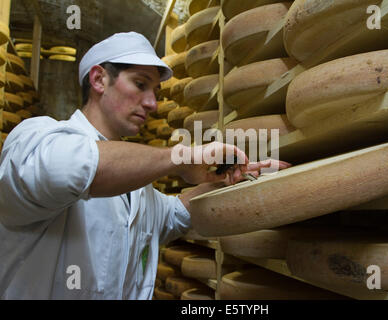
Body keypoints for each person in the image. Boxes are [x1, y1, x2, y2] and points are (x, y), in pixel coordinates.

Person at [0, 32, 291, 299]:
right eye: (140, 84)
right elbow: (70, 168)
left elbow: (176, 212)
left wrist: (233, 179)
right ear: (99, 79)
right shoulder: (35, 137)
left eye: (155, 91)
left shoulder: (140, 190)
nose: (152, 103)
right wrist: (181, 157)